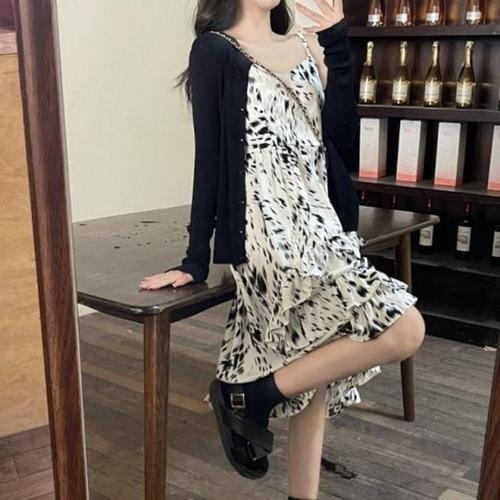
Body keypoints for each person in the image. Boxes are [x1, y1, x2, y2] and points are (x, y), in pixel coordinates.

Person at [140, 1, 426, 498]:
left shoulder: (305, 44)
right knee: (405, 328)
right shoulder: (215, 50)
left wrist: (336, 46)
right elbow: (209, 155)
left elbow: (341, 141)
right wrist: (194, 258)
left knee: (314, 366)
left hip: (322, 224)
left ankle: (287, 466)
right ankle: (249, 396)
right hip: (265, 230)